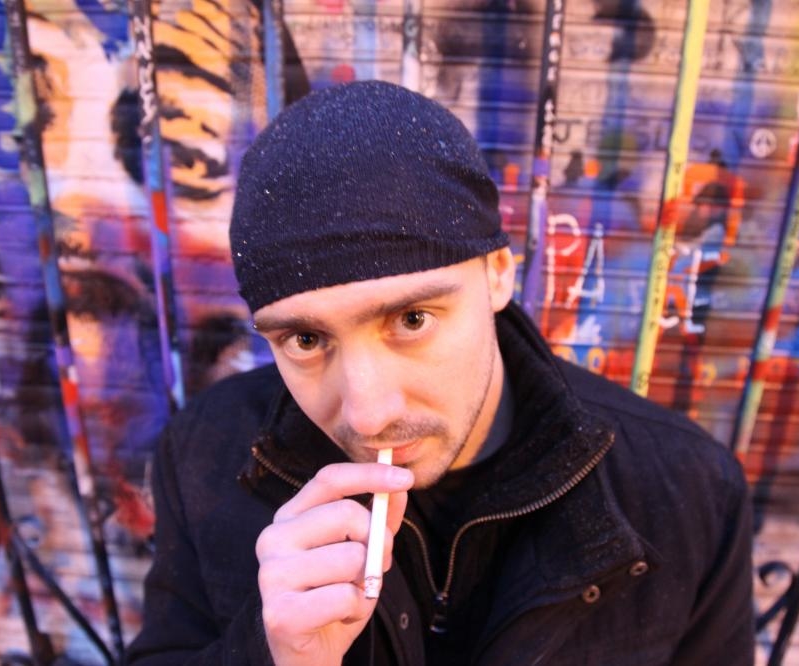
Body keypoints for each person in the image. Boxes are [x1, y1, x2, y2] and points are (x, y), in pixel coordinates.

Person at [127, 80, 754, 665]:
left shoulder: (686, 489)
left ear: (498, 273)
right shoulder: (205, 454)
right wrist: (271, 655)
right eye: (307, 339)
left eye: (411, 319)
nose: (368, 415)